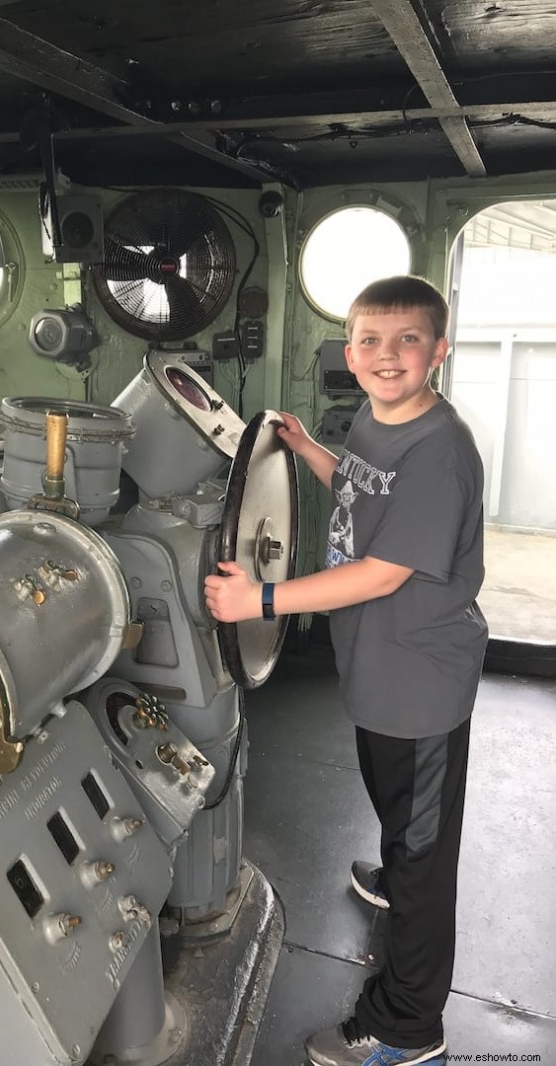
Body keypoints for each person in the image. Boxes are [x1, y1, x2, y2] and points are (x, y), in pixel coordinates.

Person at [204, 275, 487, 1066]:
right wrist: (308, 452)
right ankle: (398, 871)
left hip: (420, 685)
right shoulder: (376, 417)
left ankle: (407, 1025)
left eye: (407, 341)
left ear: (440, 348)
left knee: (427, 856)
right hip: (376, 670)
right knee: (394, 804)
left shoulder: (440, 452)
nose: (386, 356)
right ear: (350, 351)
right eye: (370, 340)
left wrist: (261, 599)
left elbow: (382, 570)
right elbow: (364, 494)